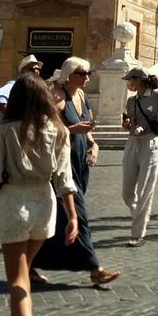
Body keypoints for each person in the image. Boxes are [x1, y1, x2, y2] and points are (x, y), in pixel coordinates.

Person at [0, 74, 79, 316]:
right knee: (24, 273)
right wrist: (73, 217)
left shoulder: (5, 131)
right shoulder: (59, 131)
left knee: (17, 279)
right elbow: (65, 180)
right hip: (45, 203)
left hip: (15, 201)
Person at [30, 58, 120, 287]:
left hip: (79, 162)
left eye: (89, 73)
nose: (88, 77)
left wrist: (93, 145)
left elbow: (86, 126)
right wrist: (71, 130)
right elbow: (44, 129)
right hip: (61, 164)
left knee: (57, 218)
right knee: (78, 215)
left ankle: (29, 264)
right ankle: (95, 269)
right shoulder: (56, 97)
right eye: (83, 73)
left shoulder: (81, 96)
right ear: (70, 74)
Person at [120, 68, 158, 247]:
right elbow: (130, 124)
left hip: (151, 142)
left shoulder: (156, 94)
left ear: (139, 80)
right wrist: (127, 125)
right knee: (127, 191)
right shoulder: (131, 101)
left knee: (144, 189)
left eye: (129, 80)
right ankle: (138, 213)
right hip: (132, 142)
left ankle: (138, 234)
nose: (128, 84)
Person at [0, 56, 43, 123]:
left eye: (38, 69)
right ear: (22, 71)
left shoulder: (33, 87)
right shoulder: (15, 85)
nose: (36, 71)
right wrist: (17, 118)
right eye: (32, 69)